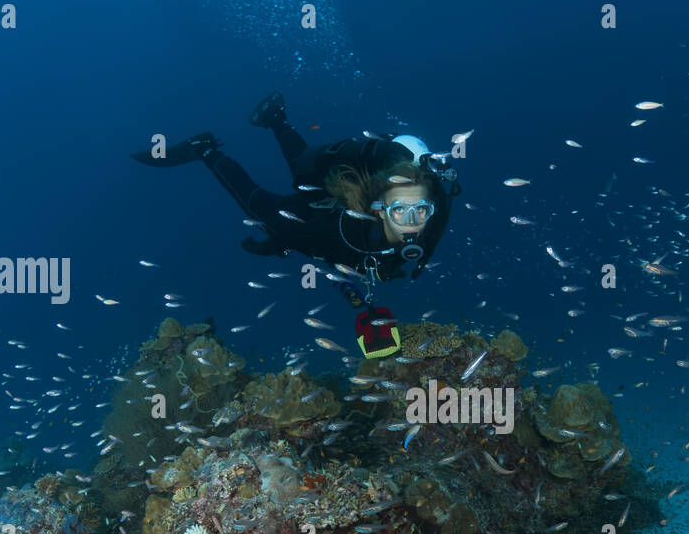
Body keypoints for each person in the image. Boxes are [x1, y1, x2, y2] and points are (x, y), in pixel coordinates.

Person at [131, 91, 461, 358]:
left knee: (309, 179)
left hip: (333, 205)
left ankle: (276, 119)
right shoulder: (352, 228)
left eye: (421, 210)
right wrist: (275, 244)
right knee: (263, 208)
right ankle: (207, 151)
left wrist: (400, 263)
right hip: (316, 221)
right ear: (378, 209)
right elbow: (307, 234)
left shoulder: (433, 218)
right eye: (401, 211)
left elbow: (428, 221)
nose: (414, 223)